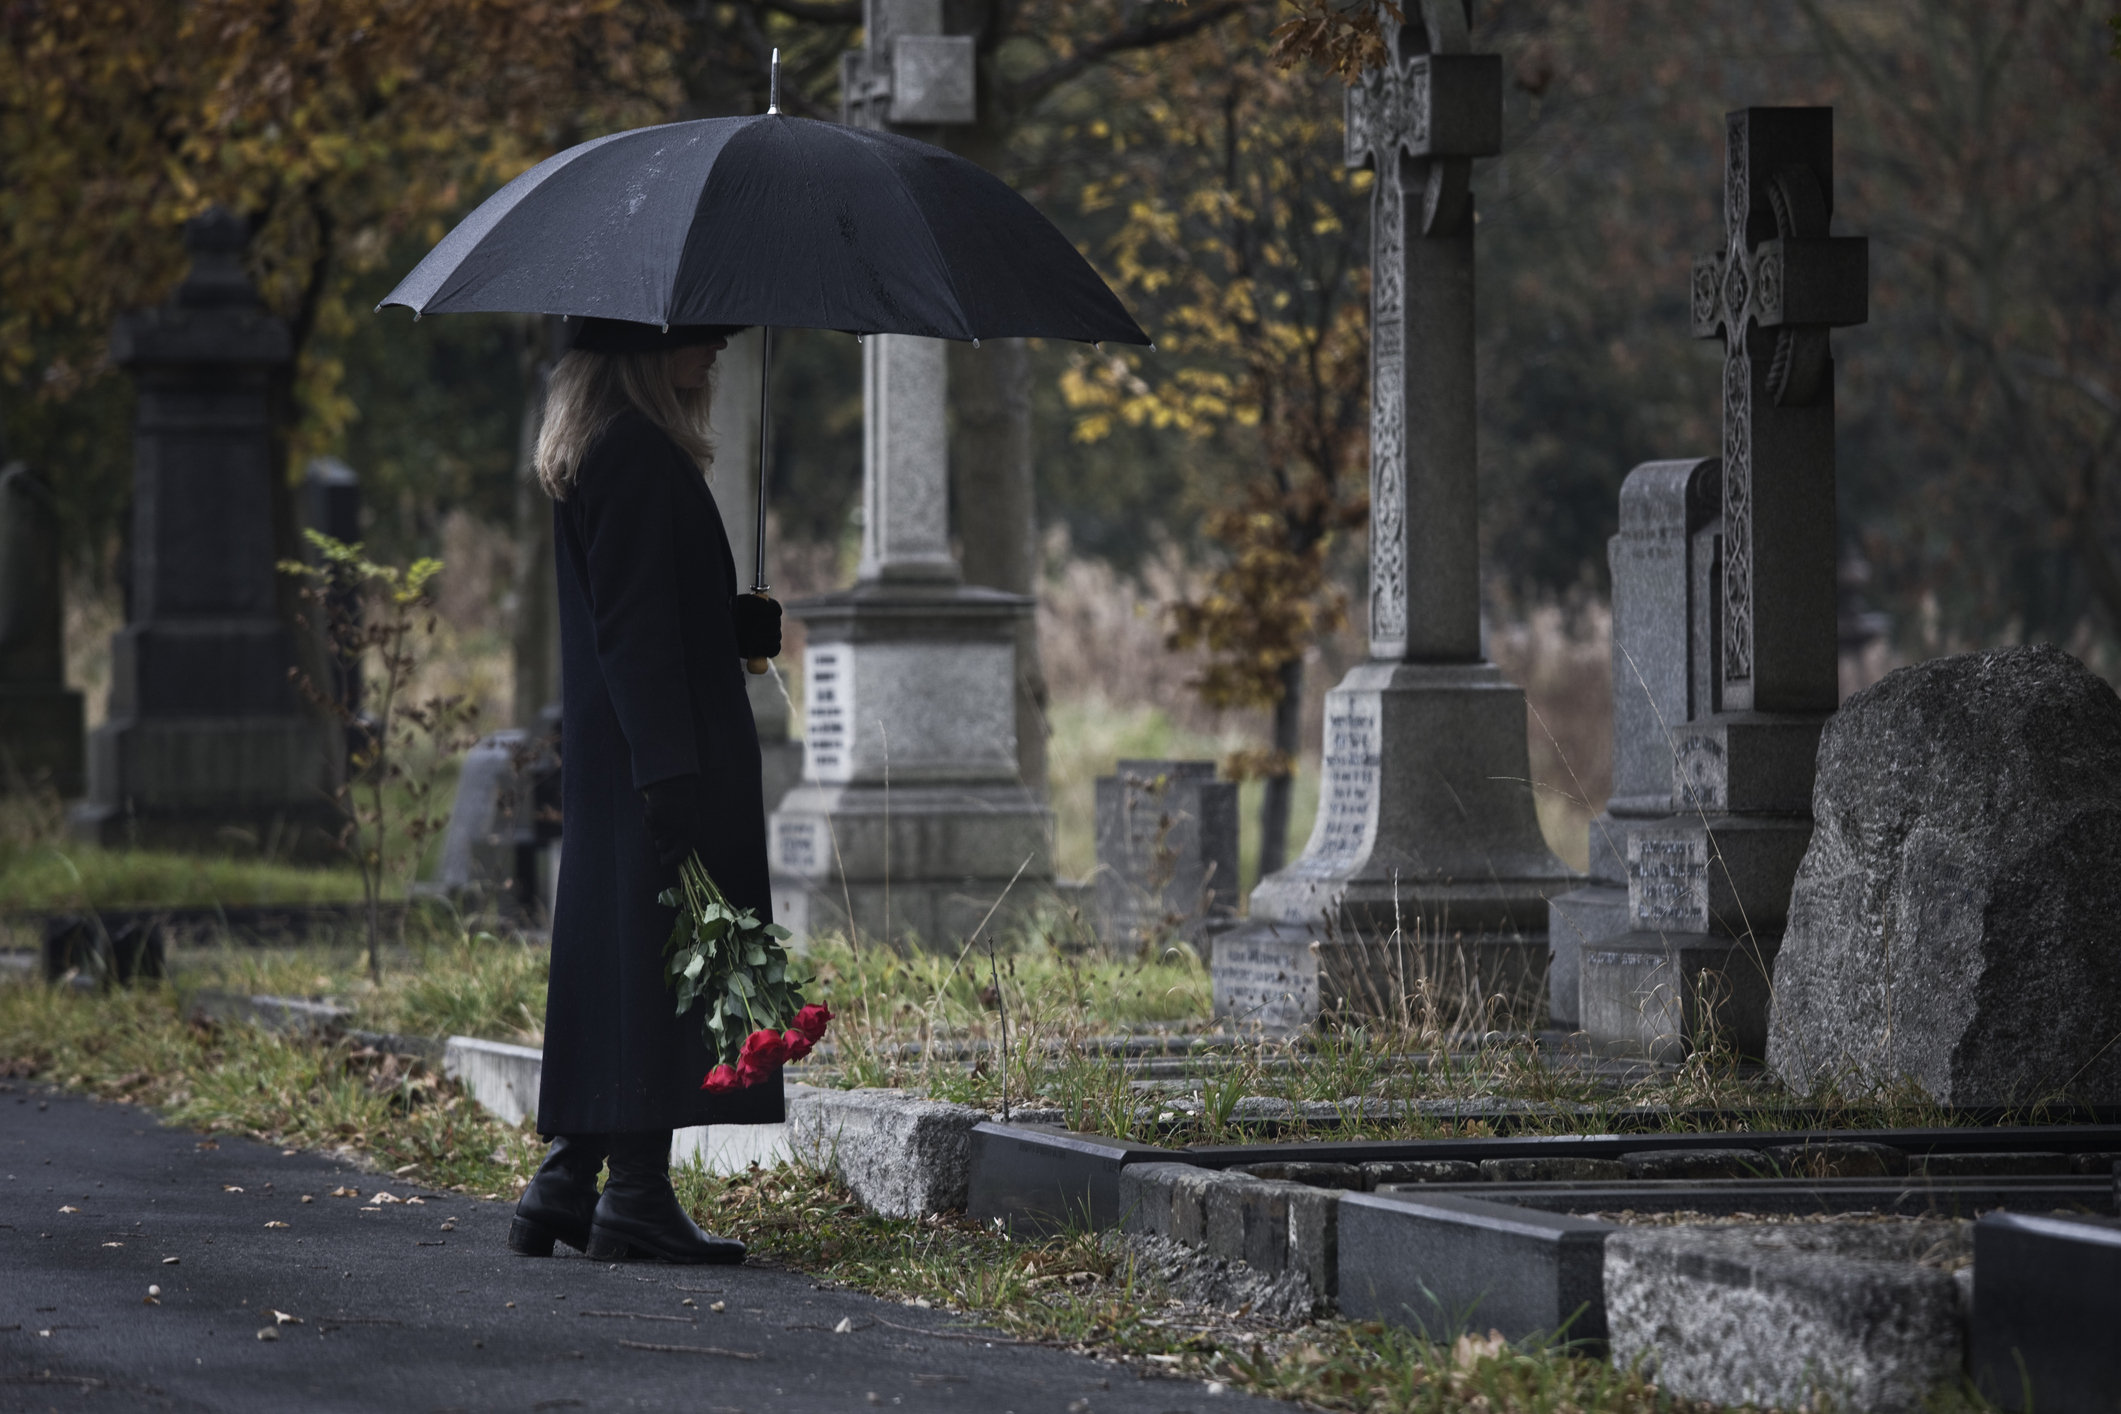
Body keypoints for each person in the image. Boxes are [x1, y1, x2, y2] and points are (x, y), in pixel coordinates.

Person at [507, 317, 784, 1265]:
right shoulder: (630, 453)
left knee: (626, 960)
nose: (716, 346)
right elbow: (630, 632)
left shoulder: (617, 449)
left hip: (636, 756)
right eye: (697, 334)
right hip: (657, 759)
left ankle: (566, 1182)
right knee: (655, 968)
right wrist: (668, 773)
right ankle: (631, 1197)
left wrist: (730, 618)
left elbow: (651, 609)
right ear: (639, 349)